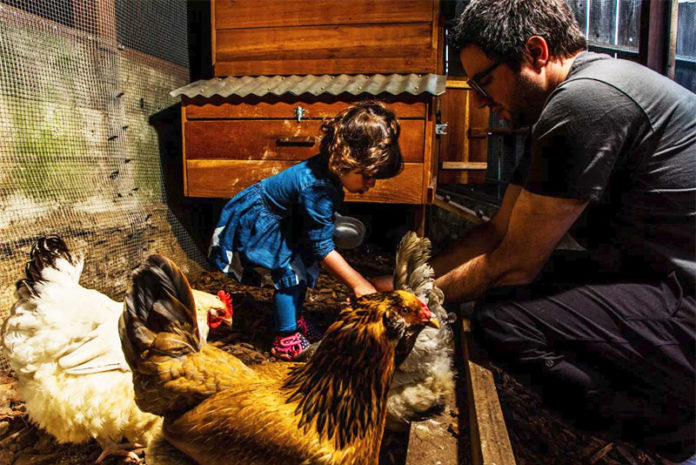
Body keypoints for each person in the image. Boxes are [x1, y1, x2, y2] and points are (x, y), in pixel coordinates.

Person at [374, 0, 695, 462]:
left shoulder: (586, 103)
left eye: (484, 81)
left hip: (683, 293)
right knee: (507, 296)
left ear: (536, 51)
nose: (481, 101)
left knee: (504, 320)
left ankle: (670, 437)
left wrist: (405, 309)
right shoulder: (571, 101)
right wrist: (405, 286)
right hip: (657, 275)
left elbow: (514, 262)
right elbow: (497, 232)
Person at [209, 101, 402, 361]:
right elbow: (322, 247)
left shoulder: (329, 170)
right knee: (289, 276)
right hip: (265, 223)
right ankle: (286, 339)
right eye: (367, 174)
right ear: (347, 159)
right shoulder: (319, 187)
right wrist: (359, 284)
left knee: (300, 271)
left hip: (287, 221)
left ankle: (295, 319)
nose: (371, 183)